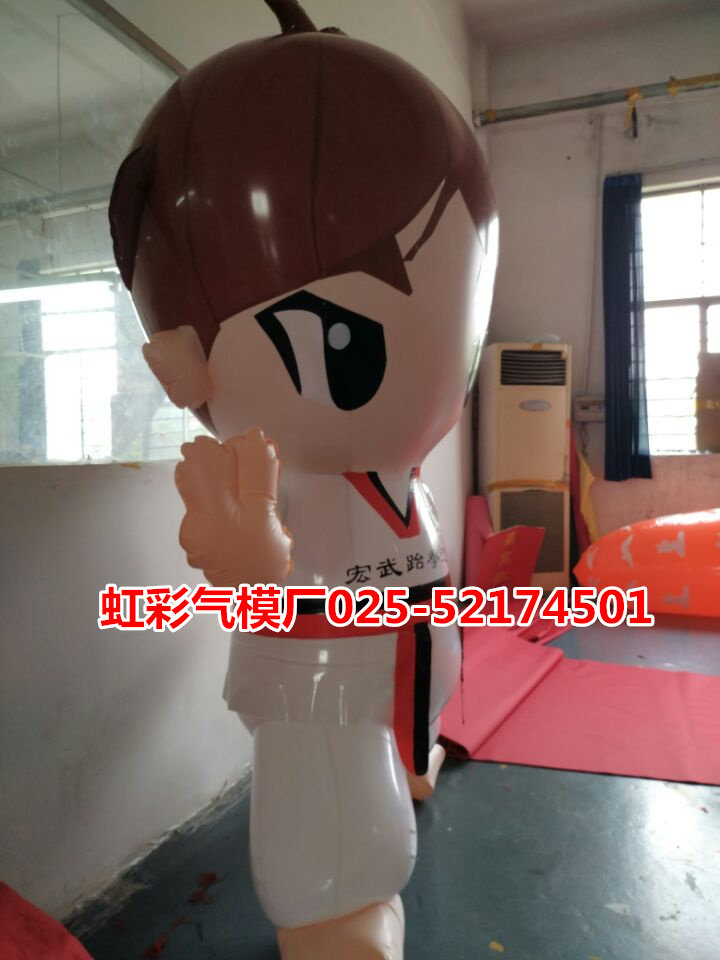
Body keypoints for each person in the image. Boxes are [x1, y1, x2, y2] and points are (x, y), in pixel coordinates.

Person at [109, 1, 497, 955]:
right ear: (184, 364)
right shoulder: (290, 478)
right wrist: (251, 567)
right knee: (332, 826)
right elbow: (276, 580)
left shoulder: (398, 469)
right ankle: (331, 913)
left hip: (397, 675)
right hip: (320, 688)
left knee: (379, 772)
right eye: (341, 338)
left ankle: (404, 762)